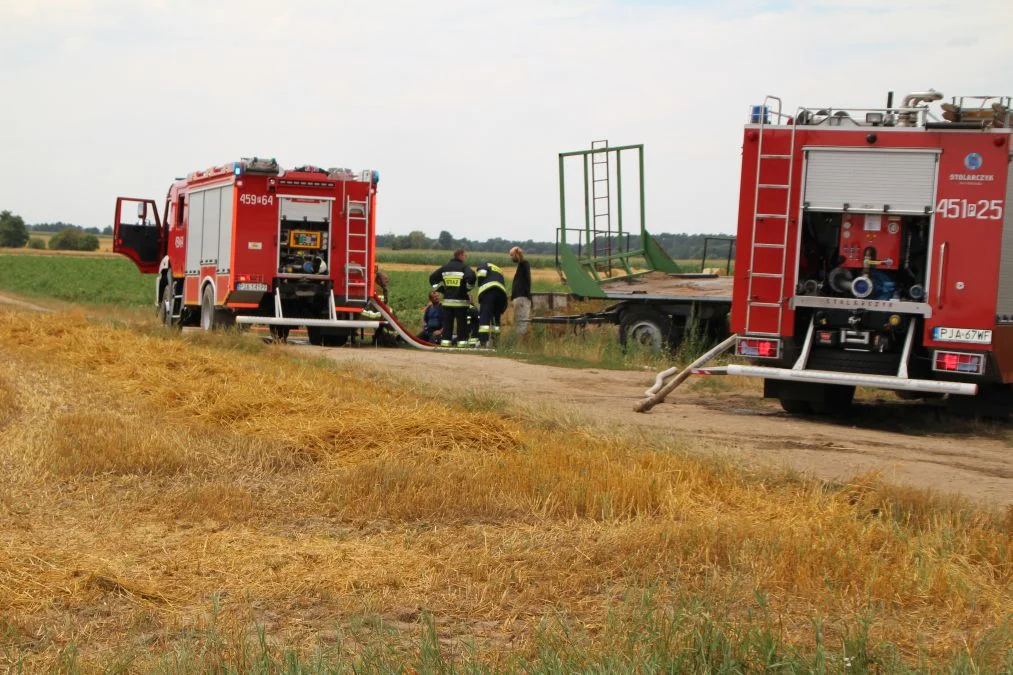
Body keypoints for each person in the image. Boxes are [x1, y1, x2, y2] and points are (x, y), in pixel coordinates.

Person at [429, 248, 475, 346]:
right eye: (465, 255)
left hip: (447, 303)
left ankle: (445, 343)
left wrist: (442, 290)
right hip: (460, 303)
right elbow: (471, 277)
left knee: (447, 325)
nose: (465, 257)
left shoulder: (445, 268)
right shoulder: (464, 267)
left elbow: (432, 278)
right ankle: (461, 344)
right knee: (461, 325)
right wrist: (467, 289)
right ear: (461, 255)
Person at [475, 260, 508, 347]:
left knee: (484, 316)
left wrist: (480, 284)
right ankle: (495, 343)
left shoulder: (484, 264)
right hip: (501, 294)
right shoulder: (498, 269)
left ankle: (483, 342)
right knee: (496, 319)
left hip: (489, 292)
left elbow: (481, 273)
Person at [509, 246, 532, 336]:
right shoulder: (521, 267)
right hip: (519, 298)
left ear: (517, 254)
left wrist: (520, 253)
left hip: (522, 298)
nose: (510, 257)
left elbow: (522, 260)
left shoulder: (524, 264)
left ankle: (519, 345)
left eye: (511, 255)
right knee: (519, 322)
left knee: (521, 323)